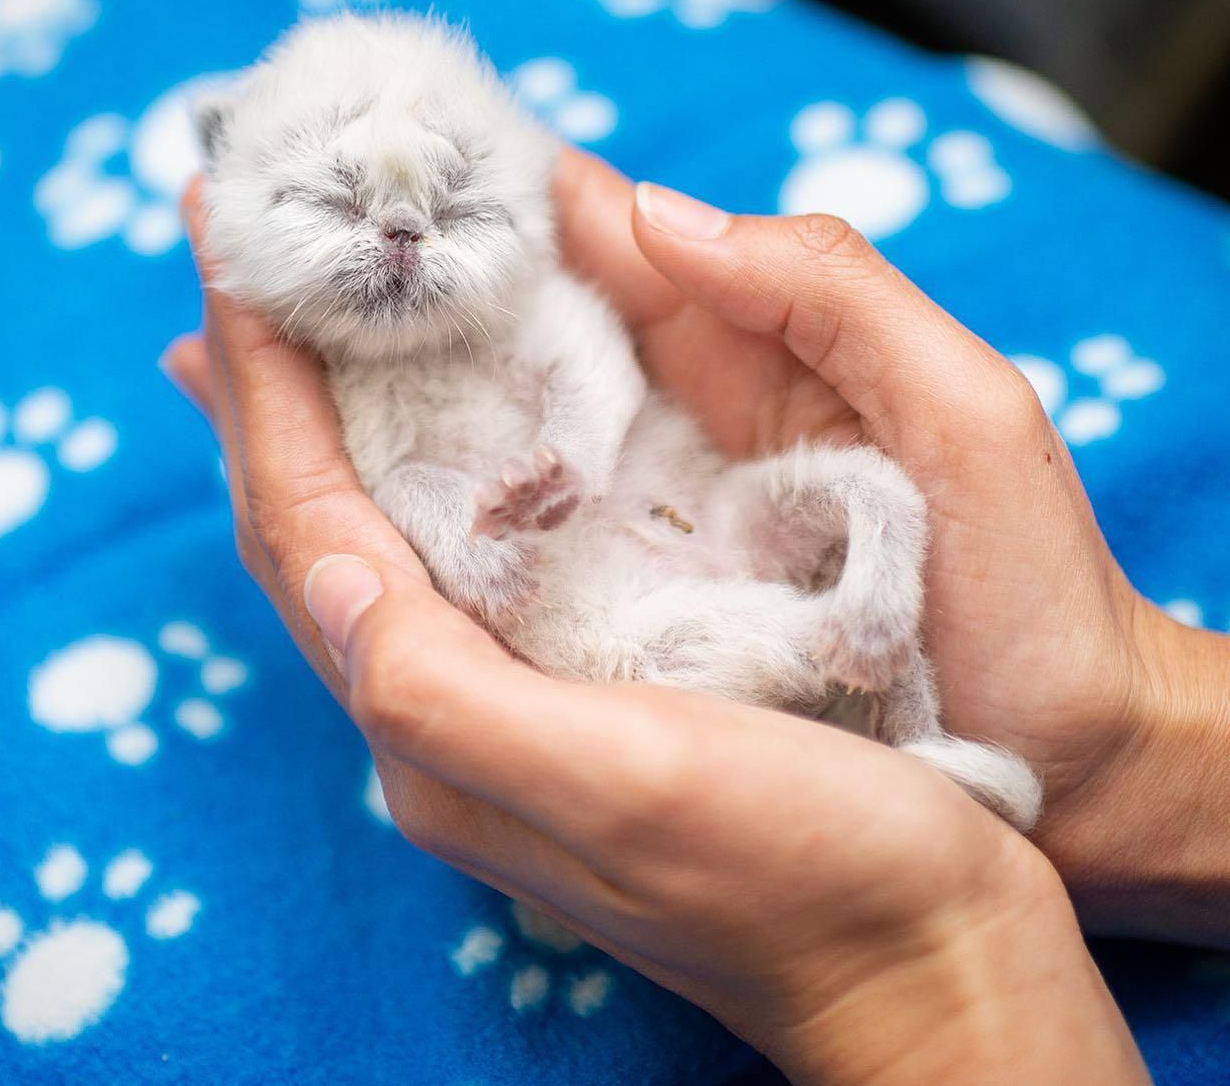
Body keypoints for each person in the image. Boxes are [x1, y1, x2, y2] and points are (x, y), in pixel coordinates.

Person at [162, 147, 1228, 1083]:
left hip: (706, 516)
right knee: (701, 635)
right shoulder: (359, 389)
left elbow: (591, 367)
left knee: (869, 489)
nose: (403, 237)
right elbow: (409, 497)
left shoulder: (537, 295)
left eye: (456, 199)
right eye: (327, 200)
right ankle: (905, 729)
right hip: (629, 623)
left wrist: (914, 978)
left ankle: (902, 694)